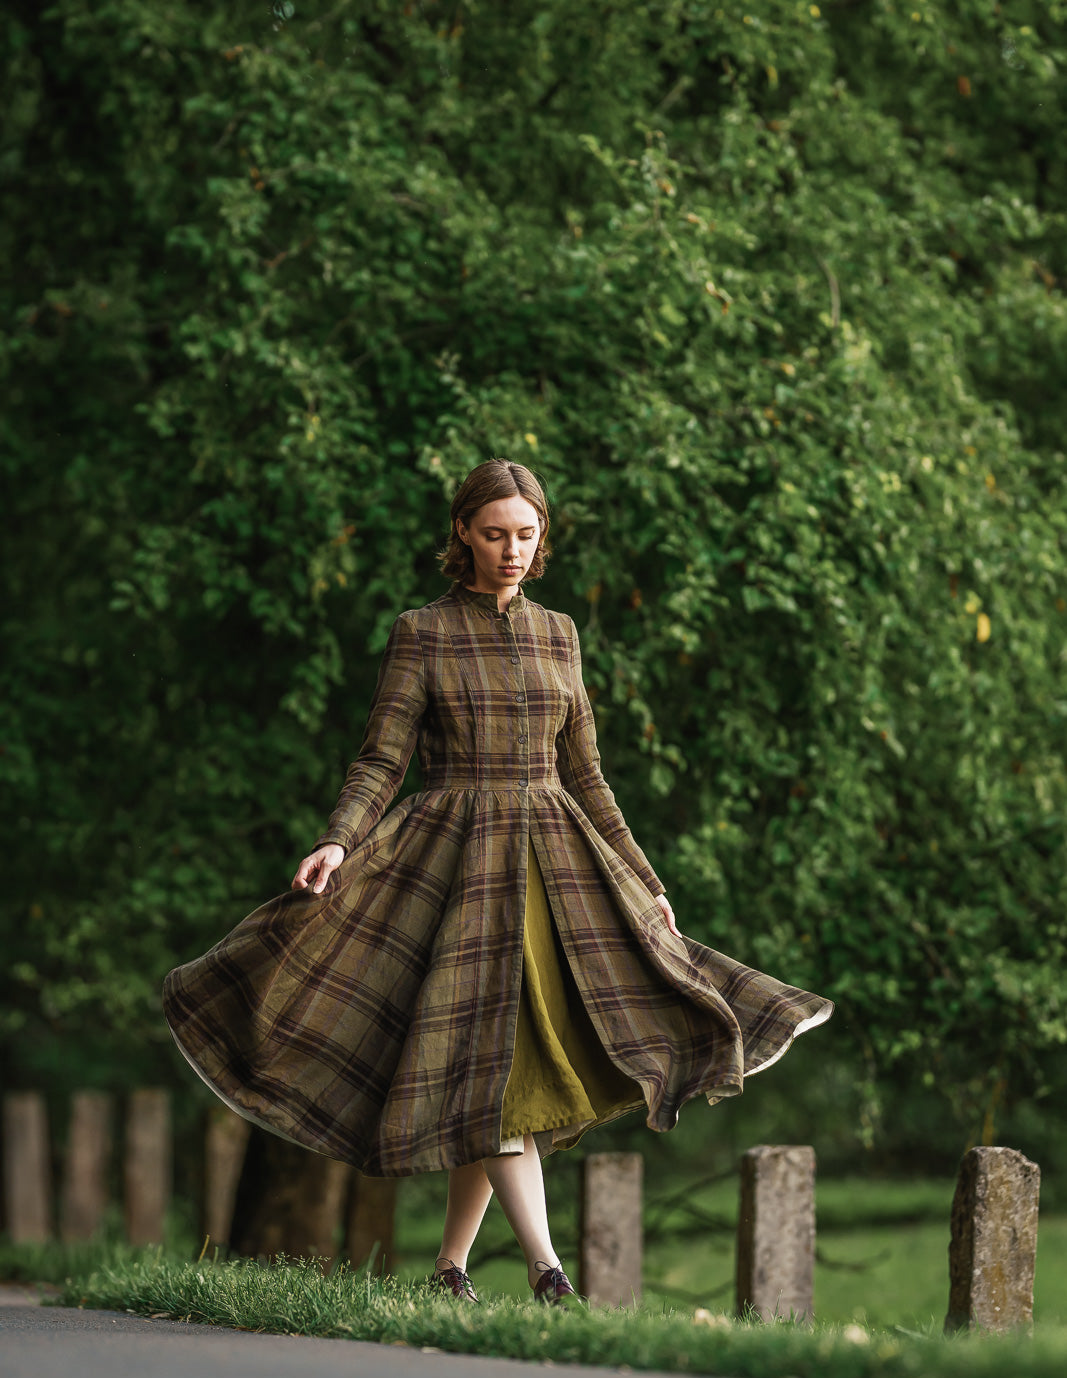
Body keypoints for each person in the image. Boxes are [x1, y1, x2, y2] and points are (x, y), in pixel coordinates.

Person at [163, 459, 833, 1307]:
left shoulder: (561, 634)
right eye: (493, 533)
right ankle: (550, 1272)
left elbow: (587, 775)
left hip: (557, 869)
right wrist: (338, 841)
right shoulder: (422, 631)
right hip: (454, 871)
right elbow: (382, 756)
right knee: (498, 1070)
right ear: (461, 535)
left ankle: (450, 1268)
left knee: (505, 1072)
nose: (512, 549)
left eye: (526, 533)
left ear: (542, 535)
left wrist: (643, 876)